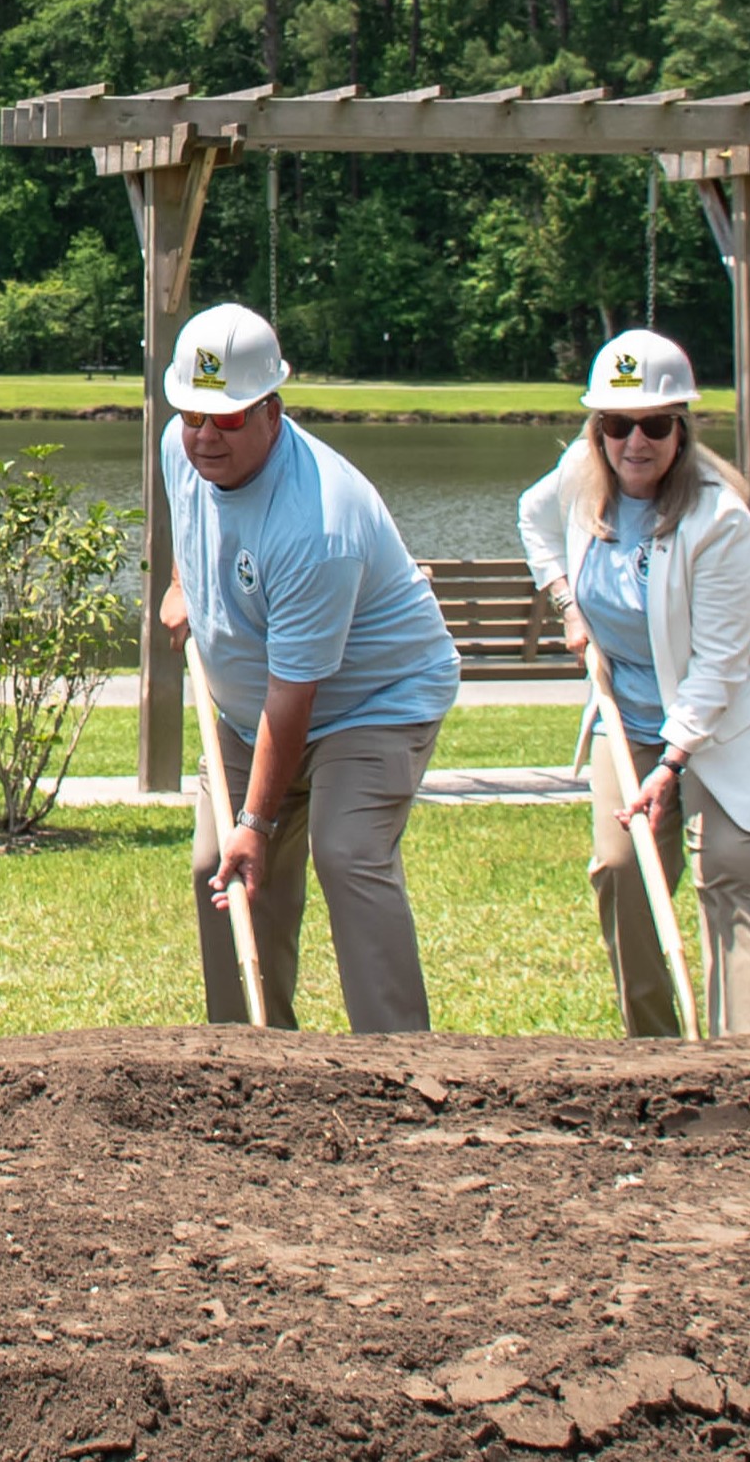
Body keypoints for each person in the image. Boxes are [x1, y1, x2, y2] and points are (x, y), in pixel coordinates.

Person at [157, 300, 457, 1033]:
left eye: (225, 418)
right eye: (193, 413)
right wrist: (179, 582)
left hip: (371, 702)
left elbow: (293, 702)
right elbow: (191, 519)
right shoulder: (179, 445)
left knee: (347, 852)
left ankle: (400, 1058)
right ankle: (250, 1055)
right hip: (245, 707)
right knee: (215, 870)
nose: (204, 434)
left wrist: (256, 820)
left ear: (271, 409)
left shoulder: (318, 525)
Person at [517, 330, 750, 1038]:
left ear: (681, 426)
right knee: (620, 868)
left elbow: (719, 664)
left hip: (727, 721)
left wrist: (672, 762)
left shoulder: (720, 521)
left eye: (652, 424)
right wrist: (566, 603)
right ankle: (652, 1045)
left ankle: (745, 1053)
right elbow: (532, 519)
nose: (632, 442)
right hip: (628, 715)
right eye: (615, 424)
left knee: (728, 870)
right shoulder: (582, 473)